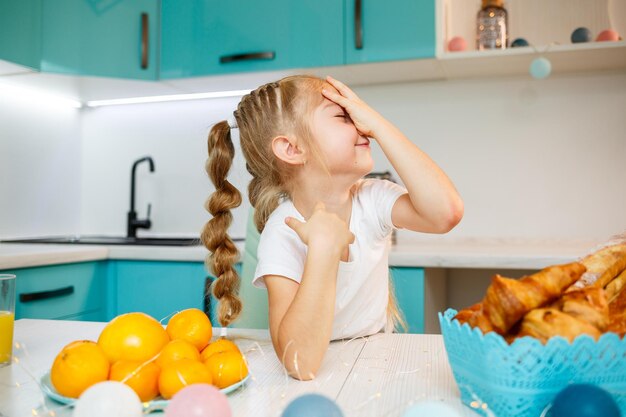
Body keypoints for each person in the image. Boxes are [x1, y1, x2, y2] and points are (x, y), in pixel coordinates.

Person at [201, 75, 463, 380]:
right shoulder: (283, 230)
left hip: (376, 364)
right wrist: (323, 250)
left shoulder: (372, 198)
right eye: (343, 116)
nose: (361, 124)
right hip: (321, 375)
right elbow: (299, 363)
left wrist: (379, 124)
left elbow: (446, 213)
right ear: (292, 148)